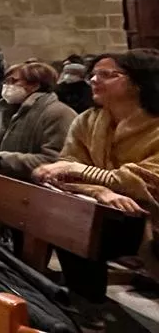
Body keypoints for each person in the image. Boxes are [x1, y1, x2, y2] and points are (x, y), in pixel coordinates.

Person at [33, 49, 159, 303]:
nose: (93, 80)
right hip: (116, 214)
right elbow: (61, 172)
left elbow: (149, 180)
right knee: (67, 217)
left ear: (139, 81)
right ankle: (87, 305)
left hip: (154, 217)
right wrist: (100, 191)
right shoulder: (88, 121)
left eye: (106, 74)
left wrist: (83, 172)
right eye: (93, 74)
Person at [0, 62, 75, 182]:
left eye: (13, 81)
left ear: (34, 86)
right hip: (0, 175)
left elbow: (54, 161)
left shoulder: (58, 113)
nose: (7, 85)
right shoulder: (7, 108)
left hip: (32, 186)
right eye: (6, 81)